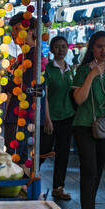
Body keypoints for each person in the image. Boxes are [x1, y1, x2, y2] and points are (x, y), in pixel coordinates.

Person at [72, 31, 105, 209]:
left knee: (97, 171)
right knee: (89, 170)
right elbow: (79, 99)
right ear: (92, 49)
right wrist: (92, 74)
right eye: (99, 46)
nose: (104, 50)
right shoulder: (83, 71)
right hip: (84, 125)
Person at [3, 12, 51, 167]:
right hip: (21, 115)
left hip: (22, 117)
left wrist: (4, 83)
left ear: (30, 30)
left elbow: (27, 88)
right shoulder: (25, 58)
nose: (14, 34)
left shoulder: (34, 59)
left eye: (17, 29)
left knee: (16, 159)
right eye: (13, 30)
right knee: (20, 159)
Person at [40, 36, 75, 200]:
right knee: (43, 151)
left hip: (67, 117)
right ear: (52, 50)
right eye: (57, 47)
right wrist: (47, 119)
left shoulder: (70, 69)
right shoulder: (47, 69)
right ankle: (29, 179)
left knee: (63, 153)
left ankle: (58, 187)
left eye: (63, 46)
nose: (61, 49)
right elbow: (44, 96)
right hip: (51, 117)